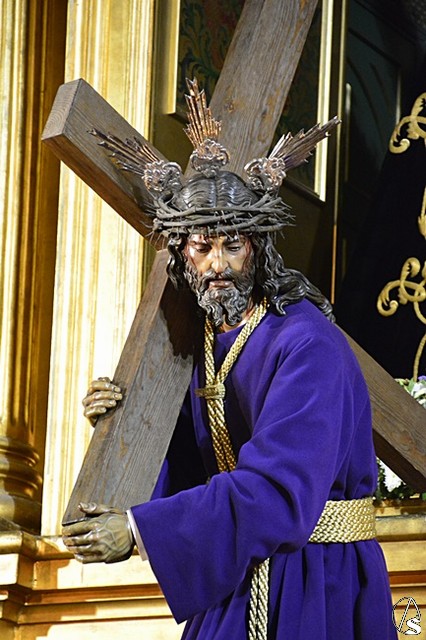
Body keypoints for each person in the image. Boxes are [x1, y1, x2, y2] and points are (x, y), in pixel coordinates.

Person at [62, 80, 396, 639]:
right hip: (238, 576)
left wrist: (140, 530)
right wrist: (127, 423)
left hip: (314, 581)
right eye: (202, 246)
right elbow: (191, 474)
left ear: (257, 248)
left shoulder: (306, 344)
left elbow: (278, 489)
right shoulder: (204, 344)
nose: (217, 264)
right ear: (181, 252)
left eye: (232, 246)